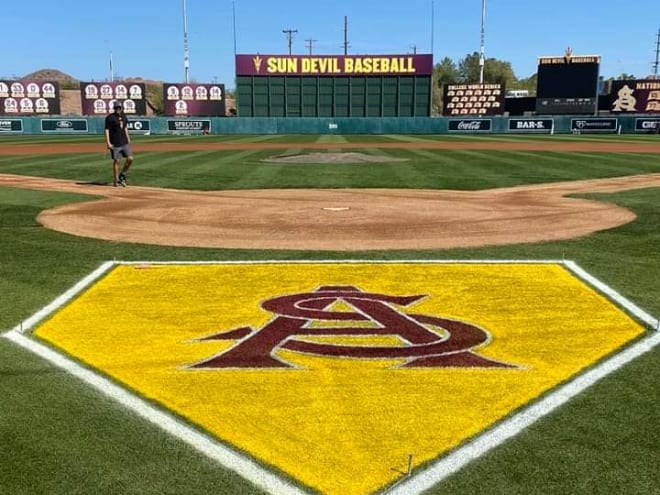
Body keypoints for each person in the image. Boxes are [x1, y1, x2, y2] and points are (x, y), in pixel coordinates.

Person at [104, 102, 133, 187]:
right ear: (114, 108)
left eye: (119, 108)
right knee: (117, 161)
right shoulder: (110, 117)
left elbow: (125, 127)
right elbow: (107, 130)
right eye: (116, 108)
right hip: (115, 143)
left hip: (124, 141)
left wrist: (128, 138)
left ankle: (122, 174)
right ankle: (116, 179)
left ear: (121, 108)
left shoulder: (124, 116)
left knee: (130, 158)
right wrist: (108, 143)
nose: (118, 109)